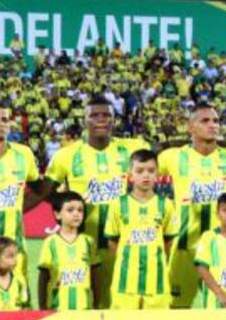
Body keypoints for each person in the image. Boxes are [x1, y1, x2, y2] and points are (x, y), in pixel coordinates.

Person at [44, 95, 149, 307]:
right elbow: (46, 191)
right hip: (81, 246)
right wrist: (68, 205)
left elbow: (164, 152)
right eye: (94, 115)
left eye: (106, 115)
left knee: (121, 306)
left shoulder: (132, 148)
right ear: (84, 120)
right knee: (82, 305)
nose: (100, 119)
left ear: (114, 120)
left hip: (121, 244)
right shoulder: (66, 155)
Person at [159, 104, 226, 310]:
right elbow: (143, 169)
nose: (213, 125)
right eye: (205, 121)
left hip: (221, 250)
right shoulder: (172, 157)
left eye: (216, 121)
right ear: (190, 127)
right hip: (184, 247)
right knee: (176, 309)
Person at [0, 101, 51, 276]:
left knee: (17, 302)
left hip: (15, 250)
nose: (0, 123)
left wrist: (18, 206)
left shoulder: (24, 154)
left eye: (5, 119)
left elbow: (38, 188)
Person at [106, 150, 175, 310]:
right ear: (130, 175)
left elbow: (169, 241)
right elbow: (112, 241)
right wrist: (128, 261)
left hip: (157, 284)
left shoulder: (166, 205)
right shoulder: (118, 204)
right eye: (140, 171)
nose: (146, 175)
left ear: (157, 174)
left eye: (151, 171)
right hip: (125, 284)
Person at [38, 191, 99, 311]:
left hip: (85, 309)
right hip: (57, 309)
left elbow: (95, 277)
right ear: (57, 214)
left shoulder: (88, 242)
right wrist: (42, 308)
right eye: (70, 210)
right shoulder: (50, 243)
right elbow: (43, 278)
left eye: (80, 210)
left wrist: (96, 305)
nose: (76, 214)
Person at [0, 236, 28, 310]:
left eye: (16, 255)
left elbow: (25, 307)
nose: (15, 260)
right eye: (10, 256)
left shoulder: (19, 281)